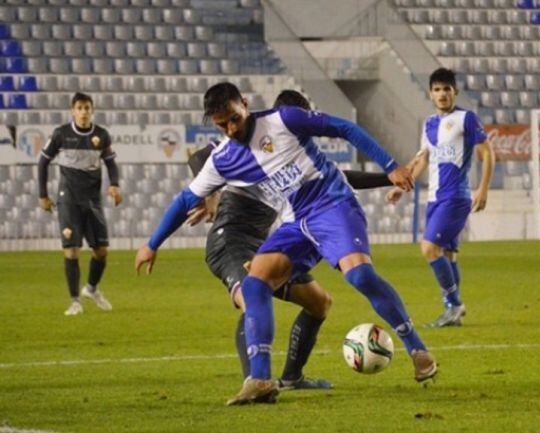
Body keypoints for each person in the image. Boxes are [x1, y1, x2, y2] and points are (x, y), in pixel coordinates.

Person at [134, 83, 437, 405]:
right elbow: (185, 199)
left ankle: (418, 349)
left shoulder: (283, 120)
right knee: (256, 282)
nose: (231, 129)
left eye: (235, 119)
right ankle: (261, 379)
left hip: (332, 205)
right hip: (294, 222)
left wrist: (390, 167)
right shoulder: (223, 159)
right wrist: (152, 244)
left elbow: (344, 128)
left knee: (359, 276)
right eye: (222, 124)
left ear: (245, 104)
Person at [185, 90, 396, 390]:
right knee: (251, 298)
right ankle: (256, 382)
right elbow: (198, 155)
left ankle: (293, 377)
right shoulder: (242, 142)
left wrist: (392, 176)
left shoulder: (288, 154)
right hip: (229, 241)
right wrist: (210, 194)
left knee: (319, 303)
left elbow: (342, 176)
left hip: (262, 243)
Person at [386, 68, 494, 327]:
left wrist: (483, 188)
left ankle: (455, 305)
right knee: (447, 255)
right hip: (435, 197)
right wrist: (403, 185)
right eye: (437, 89)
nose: (442, 94)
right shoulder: (429, 124)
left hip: (456, 196)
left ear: (455, 91)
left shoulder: (466, 119)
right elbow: (423, 158)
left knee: (429, 248)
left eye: (447, 89)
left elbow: (488, 153)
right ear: (431, 94)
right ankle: (452, 311)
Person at [38, 92, 122, 316]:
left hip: (93, 201)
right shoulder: (61, 134)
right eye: (80, 108)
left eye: (87, 108)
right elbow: (43, 162)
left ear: (92, 110)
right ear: (72, 111)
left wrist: (115, 184)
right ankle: (75, 301)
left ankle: (91, 289)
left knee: (101, 251)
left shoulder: (101, 135)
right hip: (69, 201)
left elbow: (111, 163)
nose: (84, 112)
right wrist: (42, 195)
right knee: (71, 251)